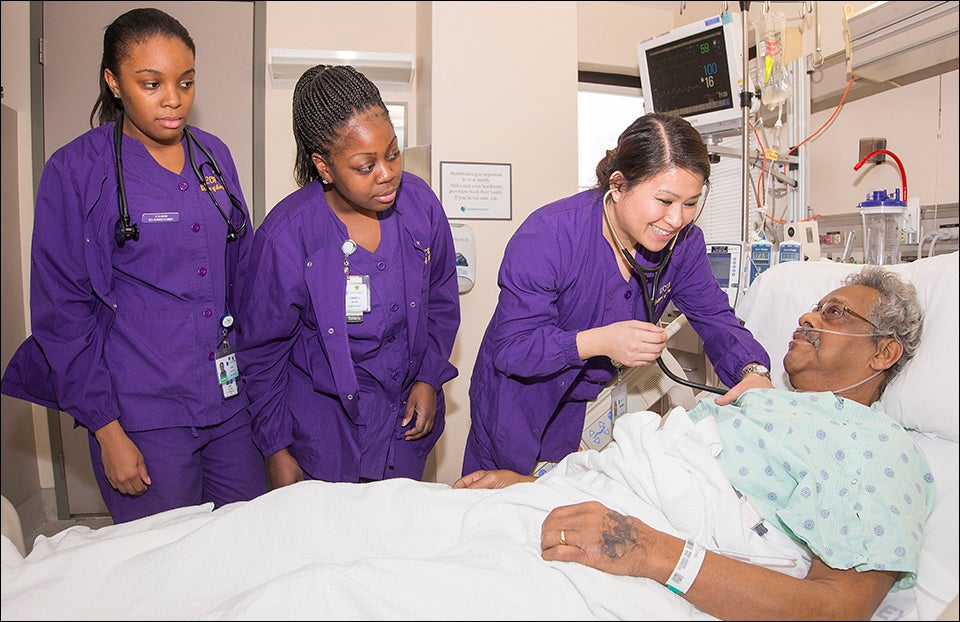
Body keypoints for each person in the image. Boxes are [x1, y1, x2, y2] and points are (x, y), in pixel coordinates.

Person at [455, 266, 934, 620]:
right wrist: (536, 481)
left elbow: (837, 609)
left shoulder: (878, 446)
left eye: (834, 312)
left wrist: (647, 550)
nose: (808, 315)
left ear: (883, 352)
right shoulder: (759, 402)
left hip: (642, 543)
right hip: (576, 501)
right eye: (815, 304)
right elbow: (649, 465)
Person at [0, 8, 267, 523]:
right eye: (152, 83)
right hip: (141, 412)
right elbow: (62, 313)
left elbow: (245, 273)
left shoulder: (214, 156)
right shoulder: (76, 170)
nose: (173, 99)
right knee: (165, 570)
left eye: (186, 82)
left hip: (229, 403)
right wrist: (106, 429)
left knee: (248, 544)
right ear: (114, 82)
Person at [463, 112, 774, 477]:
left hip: (585, 407)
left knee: (568, 515)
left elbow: (716, 318)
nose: (677, 219)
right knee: (497, 509)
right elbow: (514, 348)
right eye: (665, 200)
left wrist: (753, 371)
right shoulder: (548, 236)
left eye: (690, 203)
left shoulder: (684, 245)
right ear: (618, 185)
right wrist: (599, 341)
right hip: (517, 401)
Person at [237, 64, 460, 487]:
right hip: (325, 434)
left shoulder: (420, 207)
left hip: (403, 425)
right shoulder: (287, 236)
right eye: (365, 165)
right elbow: (262, 353)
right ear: (324, 165)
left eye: (393, 153)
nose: (387, 173)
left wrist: (429, 378)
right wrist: (276, 448)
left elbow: (442, 300)